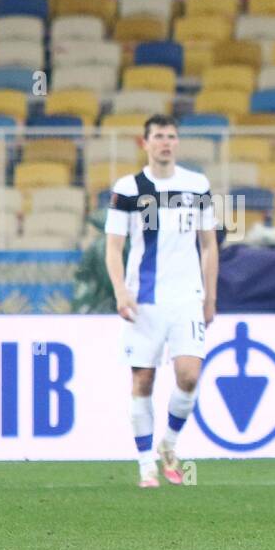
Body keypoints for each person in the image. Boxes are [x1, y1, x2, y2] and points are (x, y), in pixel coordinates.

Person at [105, 114, 218, 487]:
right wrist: (121, 290)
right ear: (145, 143)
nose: (165, 142)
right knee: (143, 379)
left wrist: (210, 294)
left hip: (187, 297)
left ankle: (168, 444)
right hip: (145, 298)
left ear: (177, 142)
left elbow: (208, 244)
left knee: (189, 375)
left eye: (171, 136)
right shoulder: (128, 188)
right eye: (158, 136)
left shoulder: (197, 184)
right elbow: (114, 247)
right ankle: (144, 466)